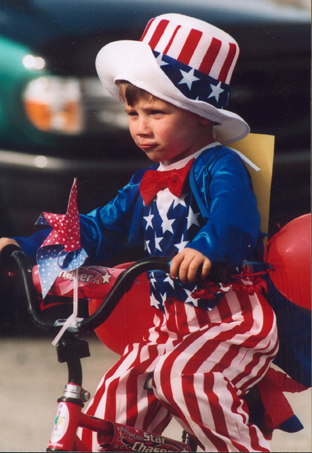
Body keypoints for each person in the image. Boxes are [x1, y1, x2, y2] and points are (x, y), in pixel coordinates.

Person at [0, 14, 279, 452]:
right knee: (111, 402)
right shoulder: (145, 182)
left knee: (181, 378)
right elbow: (94, 228)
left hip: (228, 320)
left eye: (156, 112)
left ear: (201, 116)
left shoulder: (219, 165)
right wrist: (28, 246)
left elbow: (236, 218)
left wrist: (208, 246)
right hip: (168, 327)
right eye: (132, 112)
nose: (140, 126)